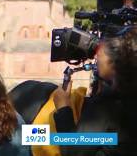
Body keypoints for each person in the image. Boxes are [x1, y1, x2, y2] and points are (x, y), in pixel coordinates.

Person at [53, 26, 137, 156]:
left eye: (100, 53)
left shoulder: (107, 106)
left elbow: (74, 151)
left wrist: (63, 108)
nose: (96, 58)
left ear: (114, 61)